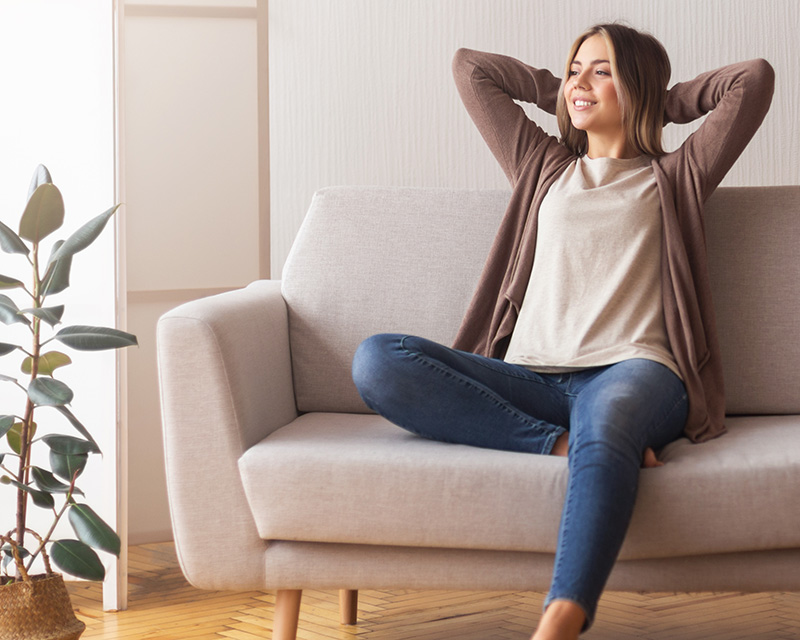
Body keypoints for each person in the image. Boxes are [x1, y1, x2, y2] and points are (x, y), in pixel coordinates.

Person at [351, 22, 773, 640]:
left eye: (602, 70)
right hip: (530, 377)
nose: (581, 82)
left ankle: (561, 619)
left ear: (638, 88)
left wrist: (659, 96)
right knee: (378, 360)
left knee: (610, 417)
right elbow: (473, 69)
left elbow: (752, 80)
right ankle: (556, 443)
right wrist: (566, 87)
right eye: (576, 68)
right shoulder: (542, 165)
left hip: (635, 370)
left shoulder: (677, 176)